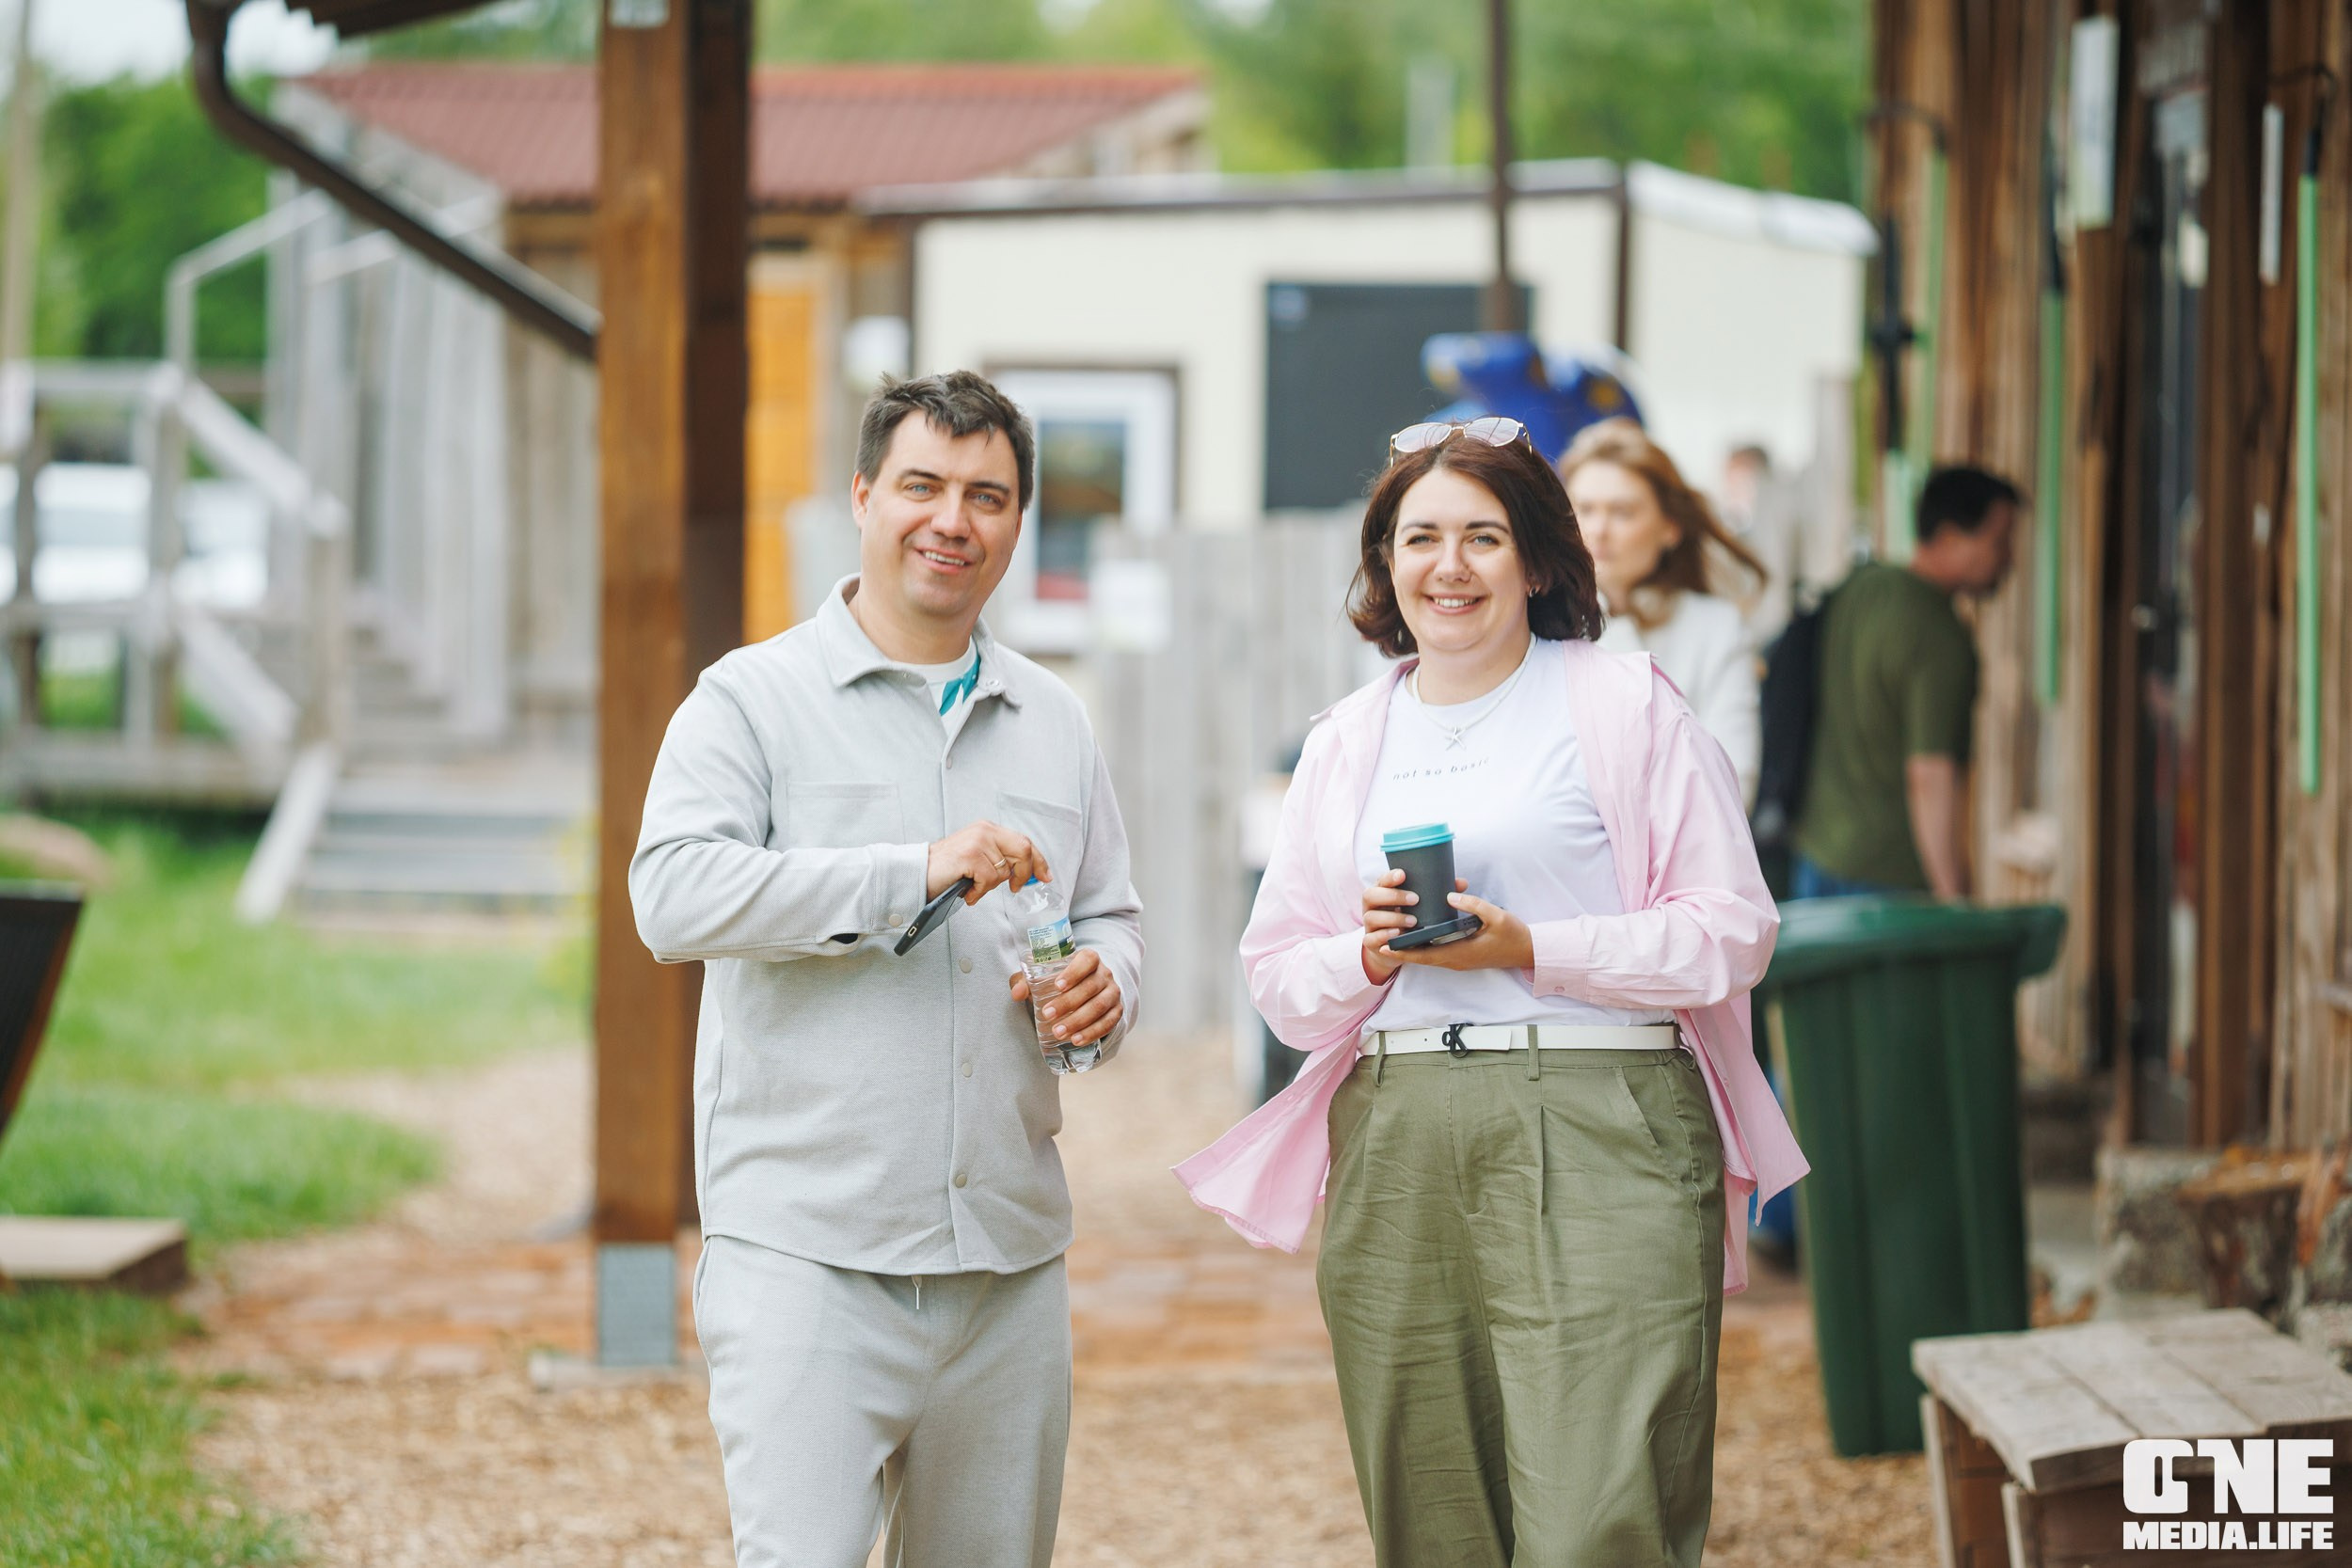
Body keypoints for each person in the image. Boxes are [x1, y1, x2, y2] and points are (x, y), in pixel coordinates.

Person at [1175, 418, 1804, 1568]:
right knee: (1433, 1513)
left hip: (1603, 1113)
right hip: (1399, 1132)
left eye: (1482, 535)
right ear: (1384, 562)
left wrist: (1528, 945)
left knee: (1599, 1516)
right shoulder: (1344, 741)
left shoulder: (1626, 704)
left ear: (1539, 562)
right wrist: (1366, 956)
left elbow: (1731, 932)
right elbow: (1277, 976)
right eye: (1418, 537)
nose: (1447, 565)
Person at [628, 372, 1143, 1568]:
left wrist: (1106, 988)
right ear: (863, 496)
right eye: (921, 485)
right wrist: (906, 871)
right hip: (808, 1253)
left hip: (1008, 1267)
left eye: (987, 496)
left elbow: (1110, 913)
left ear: (1018, 522)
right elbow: (672, 897)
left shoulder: (1054, 717)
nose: (951, 519)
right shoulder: (747, 700)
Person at [1791, 466, 2020, 900]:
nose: (2009, 559)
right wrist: (1954, 900)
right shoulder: (1939, 636)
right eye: (1999, 541)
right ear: (1951, 537)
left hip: (1817, 851)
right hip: (1887, 882)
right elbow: (1930, 776)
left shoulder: (1861, 586)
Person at [1561, 419, 1768, 808]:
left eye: (1622, 512)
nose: (1599, 530)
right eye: (1583, 510)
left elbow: (1734, 789)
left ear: (1669, 527)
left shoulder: (1716, 628)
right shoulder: (1534, 623)